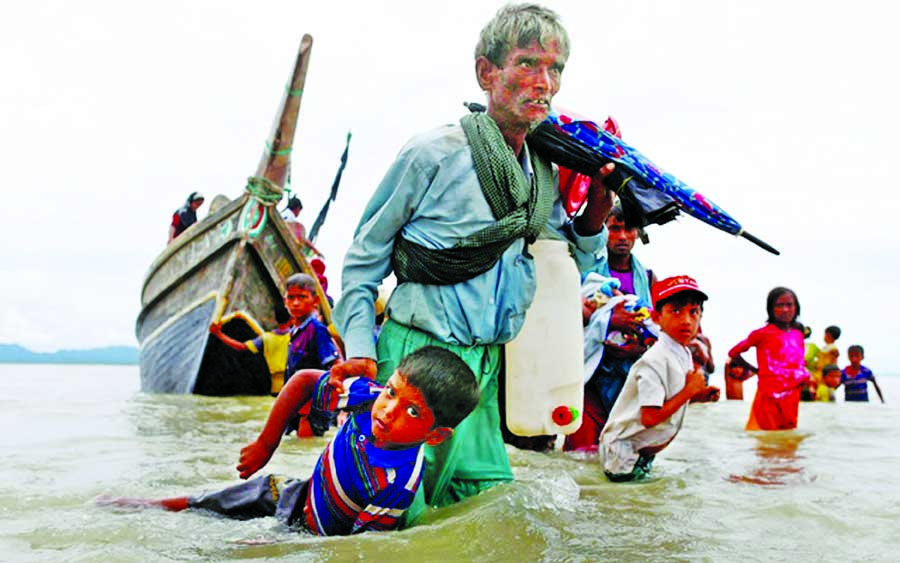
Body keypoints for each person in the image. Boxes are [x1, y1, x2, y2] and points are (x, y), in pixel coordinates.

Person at [332, 3, 616, 510]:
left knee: (484, 504)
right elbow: (363, 258)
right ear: (487, 72)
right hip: (417, 362)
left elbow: (566, 268)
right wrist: (360, 349)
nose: (543, 83)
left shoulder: (541, 175)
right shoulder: (432, 154)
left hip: (484, 371)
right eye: (527, 64)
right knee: (391, 512)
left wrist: (595, 214)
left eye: (555, 70)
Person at [98, 346, 481, 536]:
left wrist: (285, 547)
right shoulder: (368, 396)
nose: (390, 409)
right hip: (296, 494)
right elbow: (301, 383)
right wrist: (267, 444)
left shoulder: (397, 485)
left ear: (434, 435)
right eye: (393, 392)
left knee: (234, 552)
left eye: (412, 412)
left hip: (312, 534)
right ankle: (144, 504)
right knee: (206, 503)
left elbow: (358, 548)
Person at [599, 275, 719, 482]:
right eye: (675, 311)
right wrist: (689, 391)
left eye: (694, 312)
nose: (686, 320)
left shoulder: (683, 353)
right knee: (623, 504)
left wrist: (699, 395)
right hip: (623, 452)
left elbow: (671, 397)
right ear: (656, 318)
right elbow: (650, 418)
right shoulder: (653, 361)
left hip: (642, 450)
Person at [565, 205, 657, 452]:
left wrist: (638, 348)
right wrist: (608, 322)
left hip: (628, 382)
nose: (623, 236)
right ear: (603, 231)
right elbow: (563, 316)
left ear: (638, 233)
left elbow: (657, 328)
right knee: (581, 455)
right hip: (589, 379)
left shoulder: (647, 278)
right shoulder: (584, 273)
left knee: (622, 456)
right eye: (614, 228)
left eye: (629, 229)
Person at [728, 287, 811, 431]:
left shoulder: (798, 334)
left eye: (789, 305)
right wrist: (755, 370)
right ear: (771, 309)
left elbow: (798, 362)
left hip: (791, 395)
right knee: (768, 441)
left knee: (788, 440)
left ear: (796, 308)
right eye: (779, 305)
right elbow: (734, 352)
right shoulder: (762, 334)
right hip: (769, 395)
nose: (785, 309)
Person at [282, 273, 342, 436]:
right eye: (291, 297)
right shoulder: (294, 332)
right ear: (284, 301)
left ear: (315, 301)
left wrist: (338, 406)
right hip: (295, 403)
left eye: (302, 297)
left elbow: (335, 365)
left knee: (306, 442)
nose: (295, 303)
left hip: (311, 405)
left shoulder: (316, 329)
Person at [210, 304, 293, 396]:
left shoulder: (266, 338)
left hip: (276, 388)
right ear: (291, 319)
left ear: (274, 319)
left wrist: (218, 333)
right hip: (295, 384)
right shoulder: (297, 335)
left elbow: (241, 347)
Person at [811, 325, 841, 400]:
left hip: (826, 373)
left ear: (828, 335)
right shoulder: (825, 347)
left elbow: (834, 362)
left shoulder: (833, 348)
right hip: (819, 372)